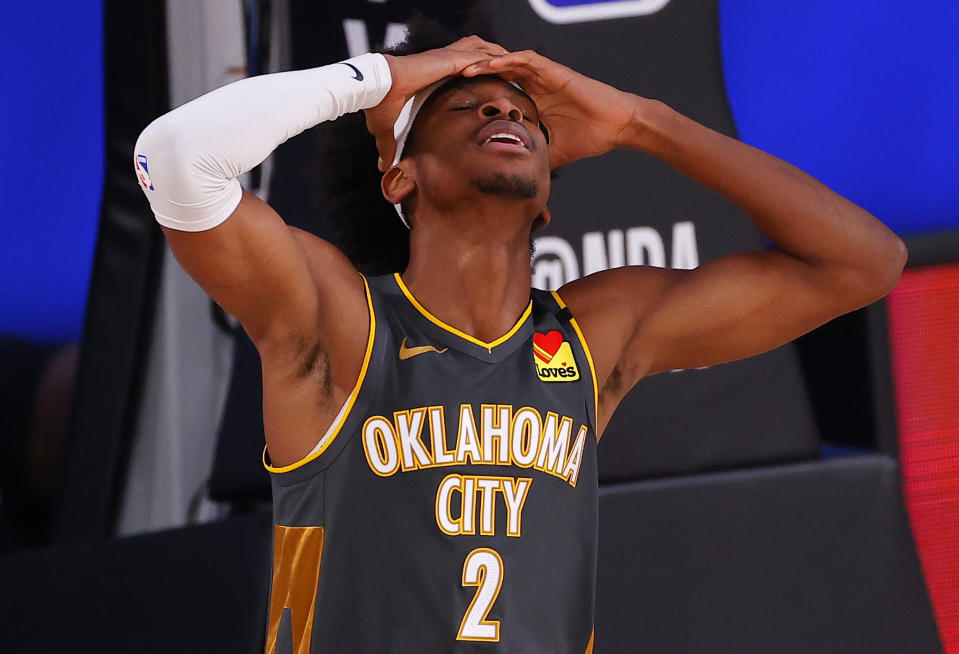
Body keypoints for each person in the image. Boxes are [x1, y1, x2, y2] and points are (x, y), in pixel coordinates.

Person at [134, 22, 905, 654]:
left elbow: (864, 263)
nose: (503, 114)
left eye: (522, 113)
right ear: (399, 177)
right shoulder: (338, 322)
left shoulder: (590, 338)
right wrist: (376, 79)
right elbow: (174, 159)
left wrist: (643, 123)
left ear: (545, 200)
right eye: (463, 107)